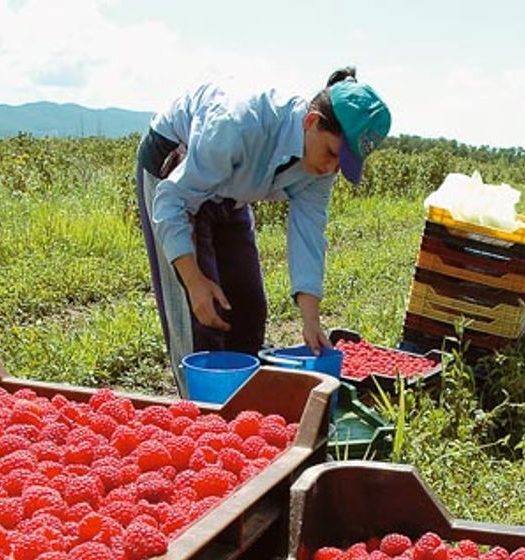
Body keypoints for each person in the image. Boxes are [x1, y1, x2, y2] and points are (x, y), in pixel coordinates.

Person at [134, 66, 392, 393]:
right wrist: (194, 280)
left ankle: (242, 414)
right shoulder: (237, 125)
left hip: (234, 187)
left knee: (247, 307)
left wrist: (310, 319)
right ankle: (199, 413)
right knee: (201, 315)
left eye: (342, 164)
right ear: (311, 122)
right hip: (176, 170)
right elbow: (171, 199)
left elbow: (309, 231)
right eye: (331, 154)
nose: (330, 169)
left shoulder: (321, 165)